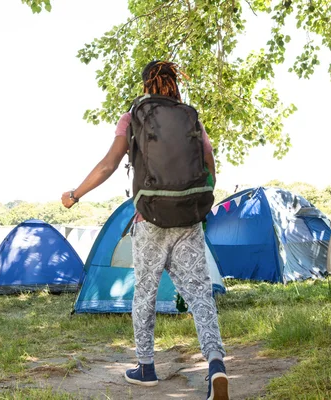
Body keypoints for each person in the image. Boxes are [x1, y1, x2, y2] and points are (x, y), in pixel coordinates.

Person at [61, 60, 229, 400]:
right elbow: (210, 161)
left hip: (149, 218)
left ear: (146, 84)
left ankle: (146, 367)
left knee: (146, 293)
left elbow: (110, 163)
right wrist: (200, 198)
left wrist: (75, 194)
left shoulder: (133, 116)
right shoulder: (190, 116)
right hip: (188, 219)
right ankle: (215, 365)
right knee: (199, 294)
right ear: (173, 83)